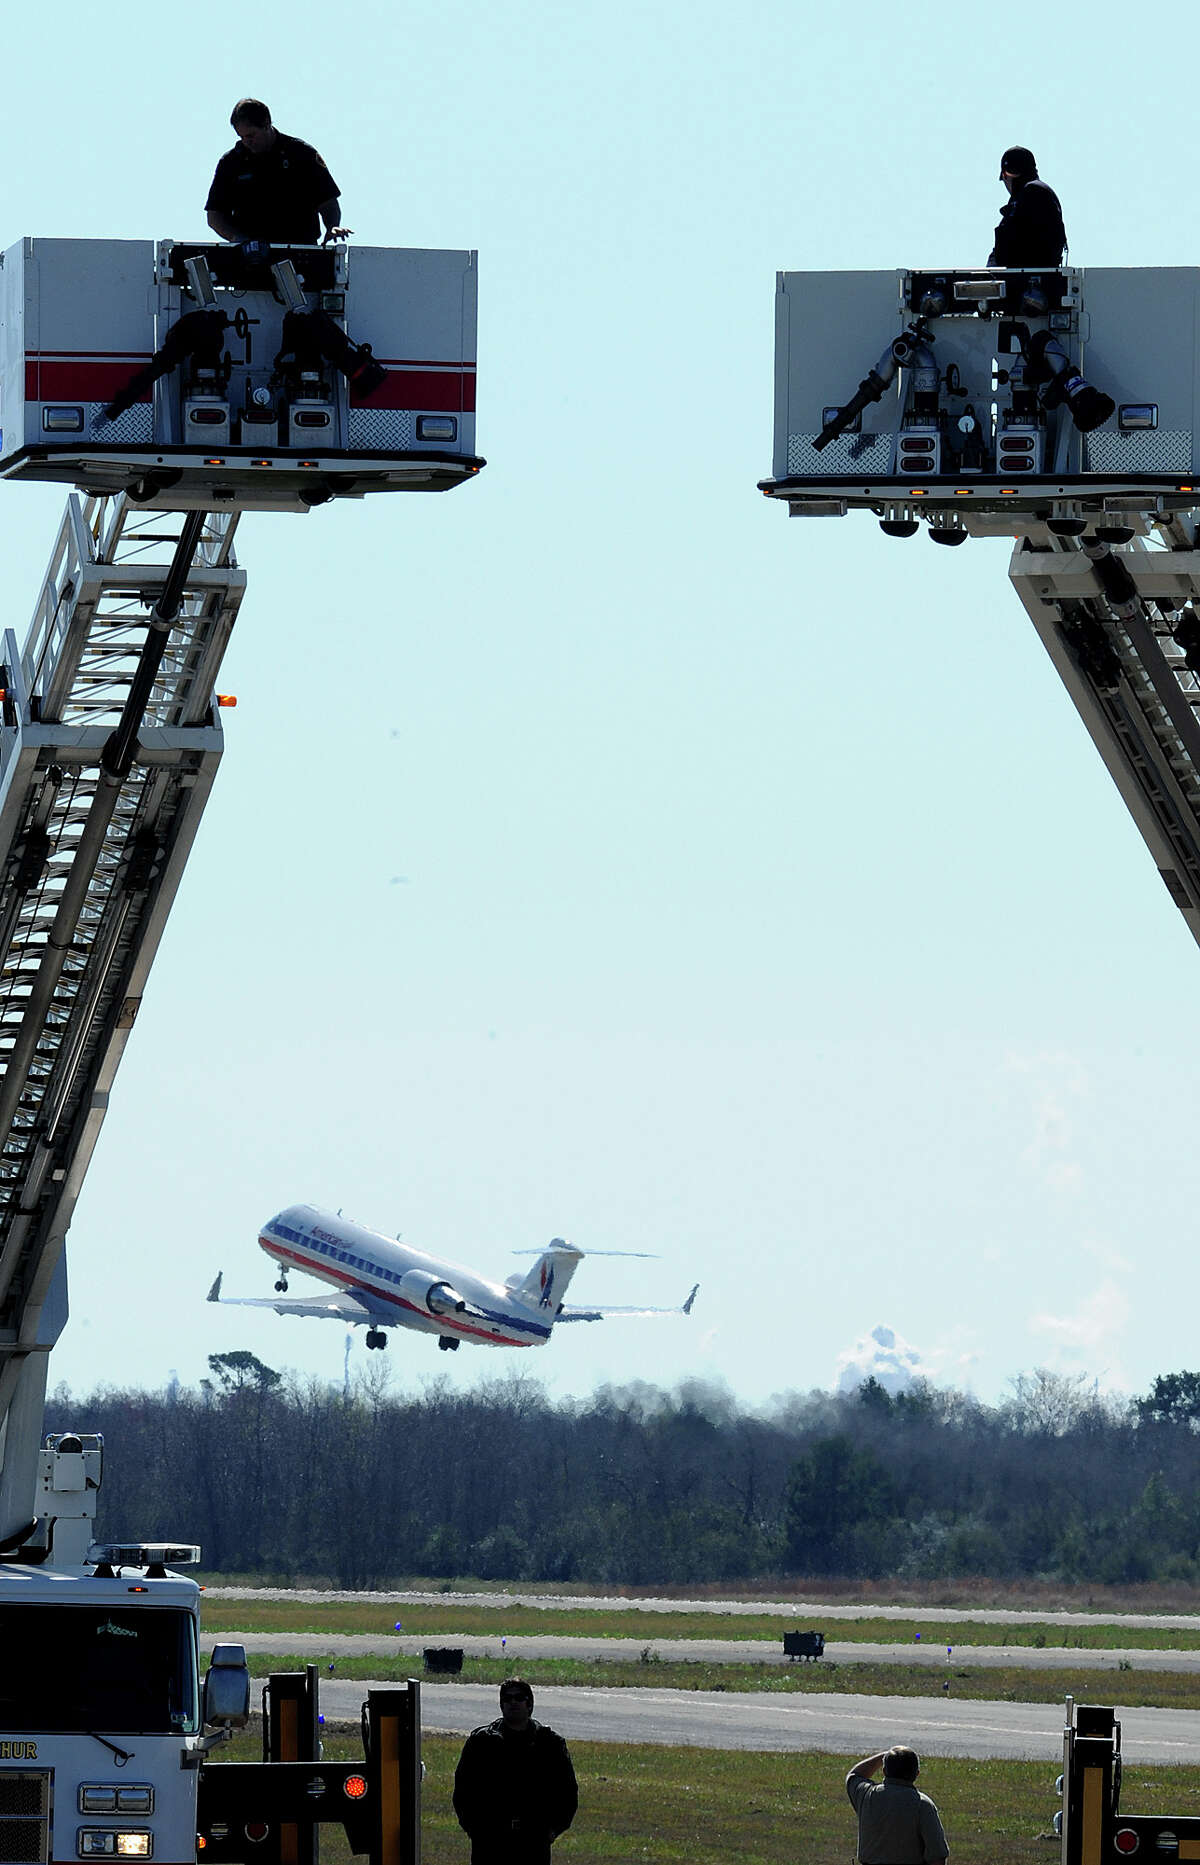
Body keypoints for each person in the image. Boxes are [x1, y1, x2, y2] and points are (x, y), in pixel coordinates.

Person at [453, 1679, 578, 1865]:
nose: (513, 1703)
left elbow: (567, 1791)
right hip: (491, 1842)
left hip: (533, 1841)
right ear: (501, 1704)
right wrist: (475, 1830)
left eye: (519, 1698)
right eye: (507, 1698)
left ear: (529, 1704)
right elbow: (464, 1790)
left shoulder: (549, 1743)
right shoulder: (482, 1742)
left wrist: (553, 1830)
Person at [206, 99, 347, 247]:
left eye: (251, 135)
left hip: (300, 250)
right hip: (250, 255)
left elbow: (327, 201)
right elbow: (215, 215)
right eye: (241, 137)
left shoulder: (301, 154)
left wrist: (332, 226)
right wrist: (237, 238)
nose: (247, 142)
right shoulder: (231, 162)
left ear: (267, 124)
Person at [845, 1745, 949, 1864]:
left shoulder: (867, 1795)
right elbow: (937, 1856)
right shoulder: (923, 1805)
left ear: (884, 1771)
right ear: (916, 1774)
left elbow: (854, 1775)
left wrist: (884, 1755)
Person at [988, 146, 1066, 268]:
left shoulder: (1030, 192)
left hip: (1028, 281)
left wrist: (989, 274)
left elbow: (1010, 243)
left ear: (1005, 175)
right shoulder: (1040, 191)